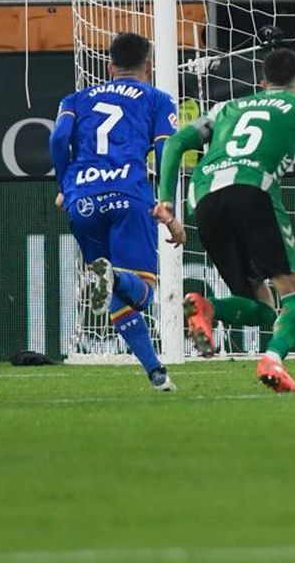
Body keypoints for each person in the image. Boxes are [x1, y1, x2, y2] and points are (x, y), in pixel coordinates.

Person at [161, 47, 295, 392]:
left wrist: (167, 201)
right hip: (253, 192)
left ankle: (207, 307)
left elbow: (176, 142)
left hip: (205, 199)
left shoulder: (227, 107)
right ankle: (273, 360)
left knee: (262, 308)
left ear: (261, 82)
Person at [47, 33, 187, 392]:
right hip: (128, 195)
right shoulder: (156, 98)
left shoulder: (76, 99)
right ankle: (114, 278)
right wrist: (167, 203)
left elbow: (58, 140)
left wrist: (65, 186)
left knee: (112, 292)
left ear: (110, 67)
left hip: (84, 201)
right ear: (149, 66)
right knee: (141, 289)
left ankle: (156, 372)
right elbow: (166, 149)